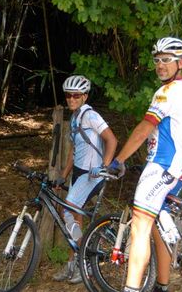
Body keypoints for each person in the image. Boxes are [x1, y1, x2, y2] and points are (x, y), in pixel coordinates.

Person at [109, 37, 182, 292]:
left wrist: (119, 160)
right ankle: (162, 284)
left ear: (180, 63)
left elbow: (144, 128)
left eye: (167, 60)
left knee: (140, 225)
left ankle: (132, 289)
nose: (160, 65)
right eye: (157, 60)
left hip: (164, 165)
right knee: (157, 220)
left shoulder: (168, 92)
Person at [53, 75, 118, 284]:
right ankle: (73, 263)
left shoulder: (91, 115)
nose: (71, 99)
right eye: (68, 96)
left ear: (84, 97)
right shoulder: (74, 118)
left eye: (76, 96)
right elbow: (74, 150)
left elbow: (111, 139)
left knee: (68, 210)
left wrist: (104, 167)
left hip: (92, 174)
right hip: (79, 173)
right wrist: (62, 176)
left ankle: (85, 261)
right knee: (76, 217)